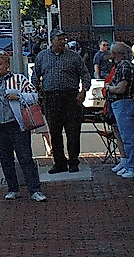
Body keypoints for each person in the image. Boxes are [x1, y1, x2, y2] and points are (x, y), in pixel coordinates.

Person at [0, 52, 46, 201]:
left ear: (7, 65)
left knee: (25, 158)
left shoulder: (18, 79)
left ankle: (35, 190)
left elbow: (34, 95)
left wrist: (18, 96)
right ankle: (13, 188)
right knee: (6, 159)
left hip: (16, 125)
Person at [31, 29, 92, 173]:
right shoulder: (42, 57)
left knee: (73, 131)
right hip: (51, 97)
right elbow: (35, 76)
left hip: (71, 97)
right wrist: (36, 92)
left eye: (64, 39)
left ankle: (73, 162)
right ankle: (59, 163)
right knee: (55, 132)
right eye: (59, 39)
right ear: (52, 40)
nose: (62, 42)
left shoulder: (74, 57)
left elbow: (85, 74)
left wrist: (83, 91)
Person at [105, 41, 134, 178]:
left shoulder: (124, 66)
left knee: (128, 137)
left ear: (116, 54)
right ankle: (129, 164)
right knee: (125, 136)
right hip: (124, 103)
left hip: (124, 103)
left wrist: (109, 87)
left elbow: (121, 88)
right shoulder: (126, 65)